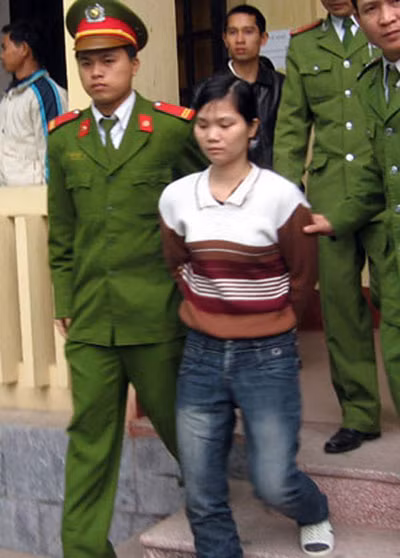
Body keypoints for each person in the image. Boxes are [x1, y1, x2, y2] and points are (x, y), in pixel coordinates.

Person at [47, 1, 205, 556]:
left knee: (184, 431)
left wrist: (201, 293)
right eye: (86, 62)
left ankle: (216, 519)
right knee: (89, 441)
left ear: (134, 63)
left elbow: (207, 209)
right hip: (92, 318)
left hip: (158, 314)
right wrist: (64, 300)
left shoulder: (170, 130)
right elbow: (62, 231)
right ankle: (84, 549)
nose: (96, 72)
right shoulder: (64, 138)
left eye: (109, 60)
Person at [159, 73, 334, 558]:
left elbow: (302, 277)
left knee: (273, 481)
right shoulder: (176, 197)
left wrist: (271, 323)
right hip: (201, 355)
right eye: (203, 125)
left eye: (227, 124)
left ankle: (314, 509)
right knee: (200, 488)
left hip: (268, 355)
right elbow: (177, 263)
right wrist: (208, 307)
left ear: (253, 128)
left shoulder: (281, 197)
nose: (213, 135)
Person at [273, 0, 390, 454]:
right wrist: (287, 199)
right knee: (340, 307)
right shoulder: (305, 45)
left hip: (384, 193)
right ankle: (359, 414)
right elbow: (291, 127)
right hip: (327, 198)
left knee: (392, 298)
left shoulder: (383, 29)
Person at [306, 0, 400, 416]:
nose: (387, 17)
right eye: (372, 8)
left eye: (394, 2)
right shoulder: (375, 81)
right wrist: (334, 218)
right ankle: (360, 415)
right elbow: (380, 171)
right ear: (359, 20)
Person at [0, 20, 67, 186]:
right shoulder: (10, 96)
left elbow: (55, 153)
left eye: (4, 48)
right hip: (9, 195)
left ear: (24, 49)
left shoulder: (46, 93)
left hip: (34, 197)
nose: (2, 55)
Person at [222, 4, 284, 168]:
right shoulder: (211, 89)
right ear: (225, 39)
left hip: (274, 177)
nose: (240, 40)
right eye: (233, 32)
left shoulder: (282, 86)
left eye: (248, 32)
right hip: (228, 178)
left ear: (263, 38)